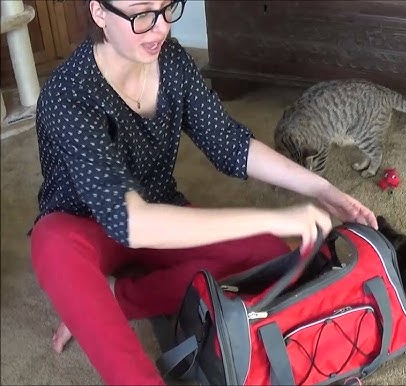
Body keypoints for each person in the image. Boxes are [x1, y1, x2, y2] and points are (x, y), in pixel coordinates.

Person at [29, 0, 378, 384]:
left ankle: (119, 297)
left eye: (166, 8)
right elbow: (131, 223)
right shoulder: (66, 95)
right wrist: (278, 216)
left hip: (160, 206)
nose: (160, 28)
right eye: (142, 14)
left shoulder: (172, 60)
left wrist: (321, 188)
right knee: (52, 245)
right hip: (86, 224)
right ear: (99, 12)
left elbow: (230, 143)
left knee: (267, 254)